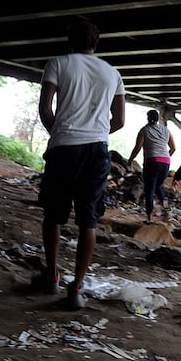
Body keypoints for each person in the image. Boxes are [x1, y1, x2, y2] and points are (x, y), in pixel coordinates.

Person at [34, 18, 126, 310]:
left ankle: (52, 276)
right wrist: (95, 134)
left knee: (53, 215)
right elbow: (120, 121)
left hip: (63, 149)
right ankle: (75, 289)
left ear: (69, 41)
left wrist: (59, 133)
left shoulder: (58, 63)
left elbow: (45, 108)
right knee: (89, 220)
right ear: (95, 43)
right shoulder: (113, 73)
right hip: (97, 152)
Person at [128, 109, 176, 224]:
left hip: (152, 162)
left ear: (148, 118)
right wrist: (164, 158)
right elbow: (173, 148)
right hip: (165, 162)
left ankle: (149, 218)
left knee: (150, 189)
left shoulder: (144, 130)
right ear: (158, 118)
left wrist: (130, 160)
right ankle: (166, 207)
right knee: (158, 186)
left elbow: (138, 147)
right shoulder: (166, 130)